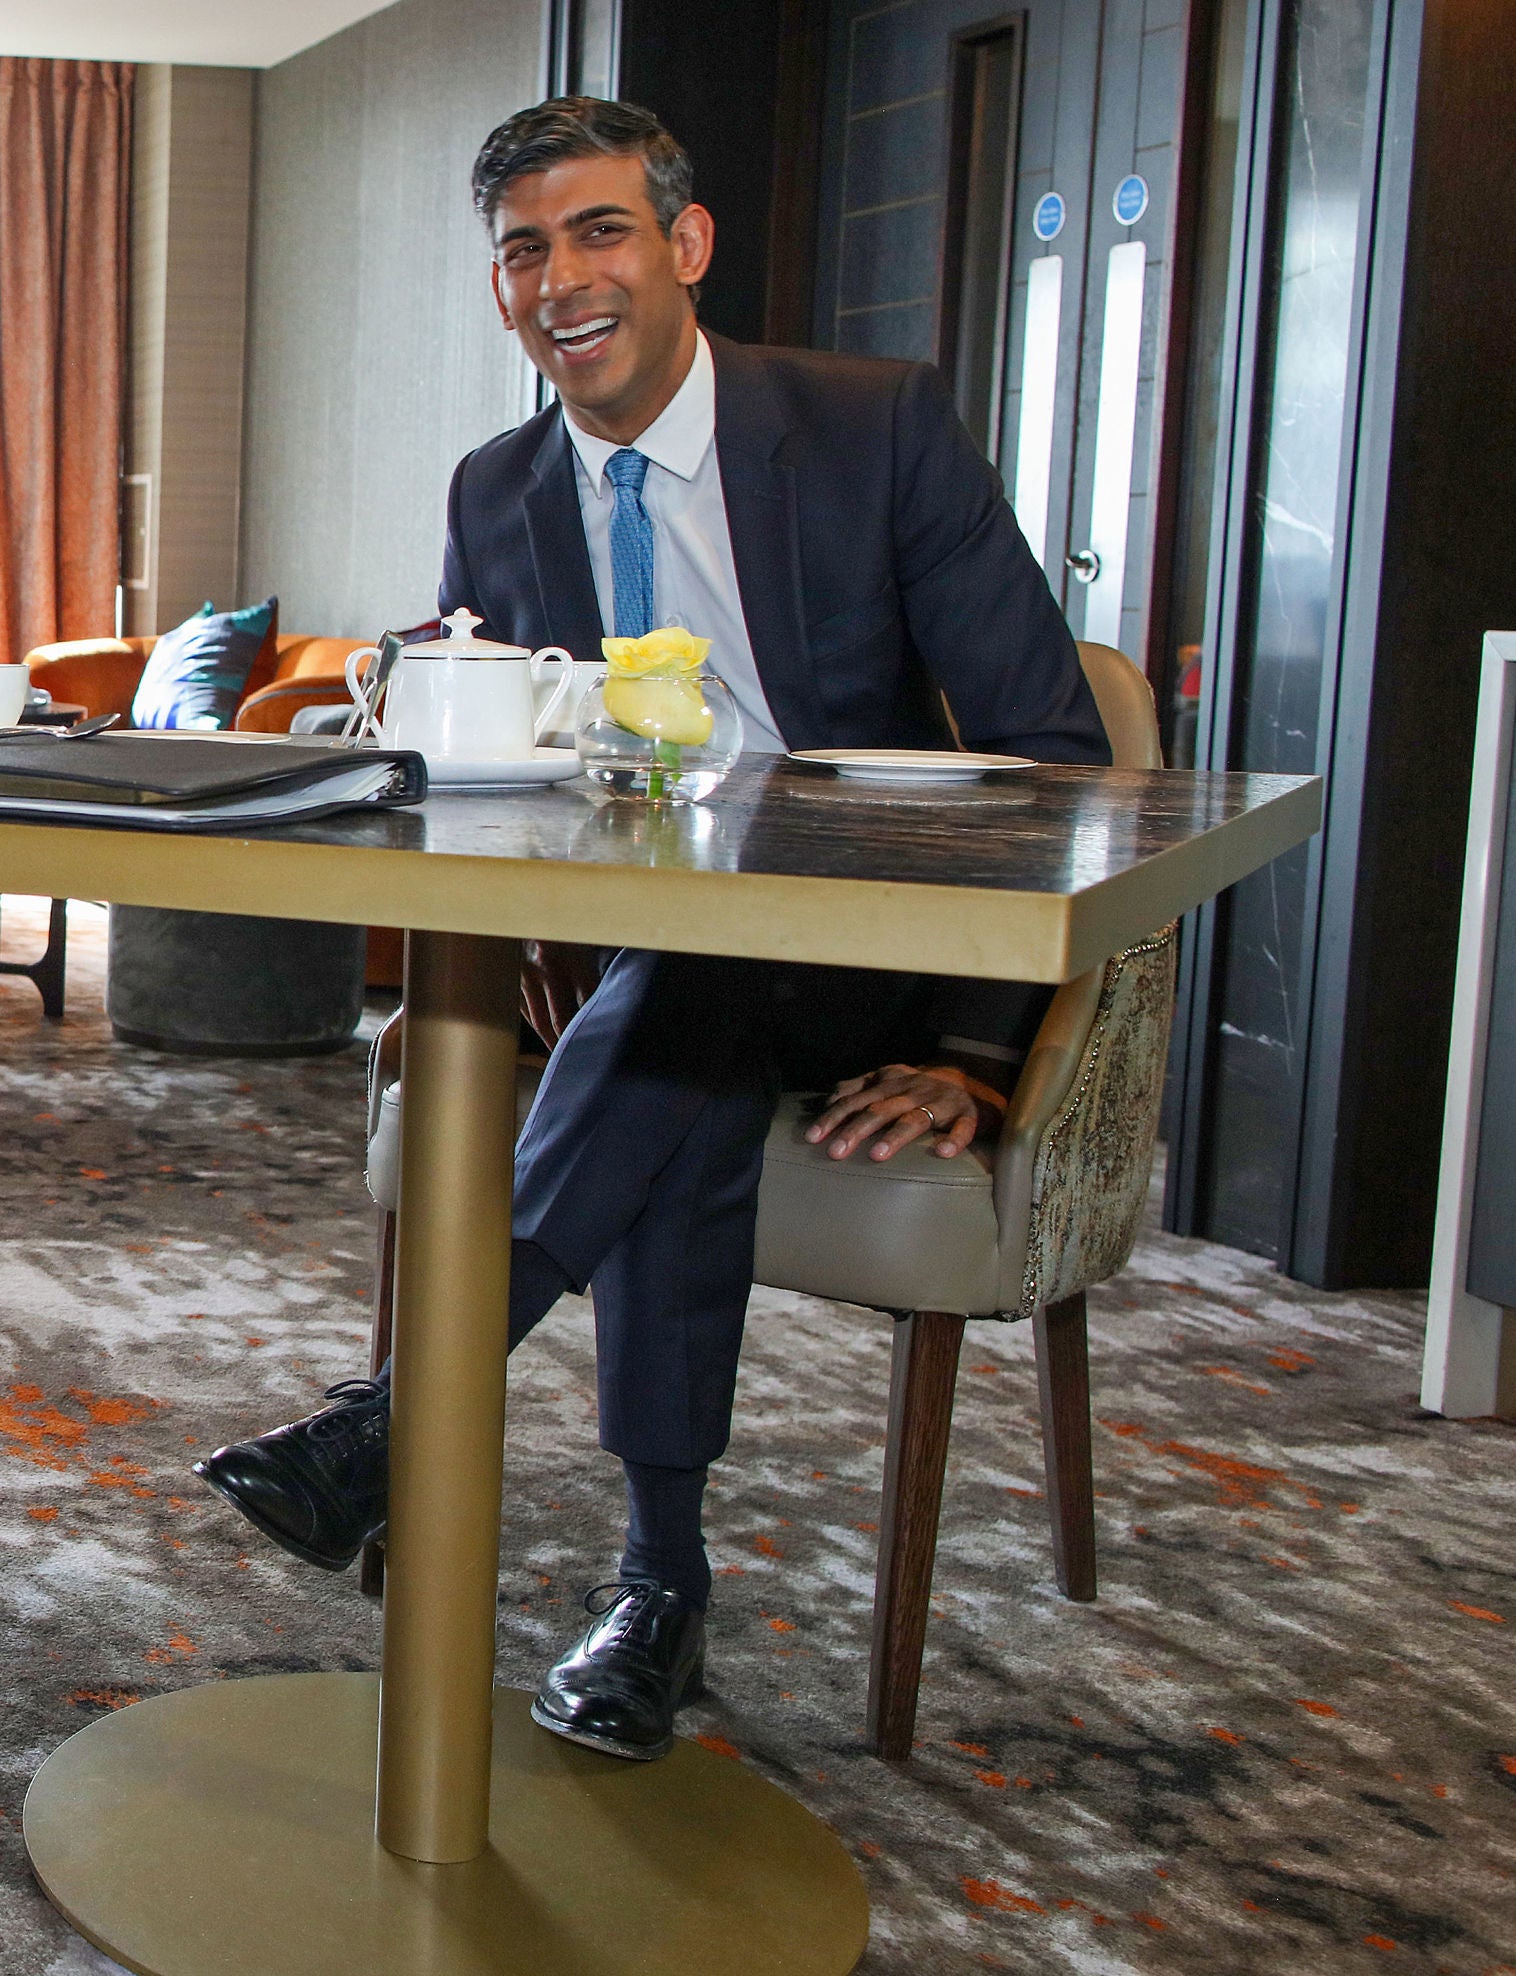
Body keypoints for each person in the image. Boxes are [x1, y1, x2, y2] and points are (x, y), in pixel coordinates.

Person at [196, 97, 1110, 1763]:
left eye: (600, 231)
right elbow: (520, 772)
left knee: (686, 983)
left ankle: (405, 1425)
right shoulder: (501, 490)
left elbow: (1054, 760)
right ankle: (655, 1594)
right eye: (524, 251)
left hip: (874, 956)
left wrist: (979, 1056)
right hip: (644, 976)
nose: (562, 279)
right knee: (676, 1038)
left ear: (684, 248)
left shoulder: (874, 430)